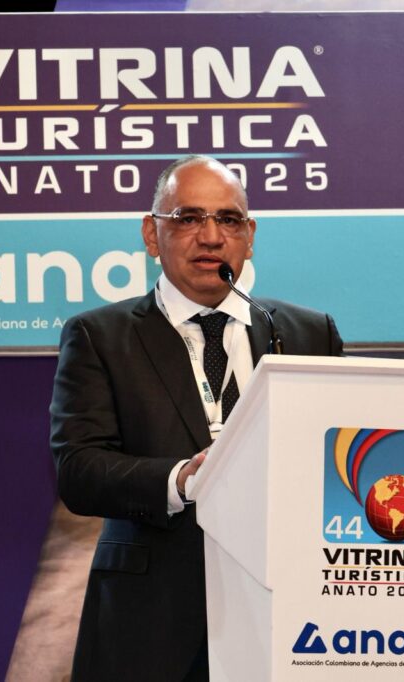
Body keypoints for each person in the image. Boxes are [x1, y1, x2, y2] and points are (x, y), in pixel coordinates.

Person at [50, 155, 343, 681]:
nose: (211, 236)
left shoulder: (307, 333)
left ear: (249, 237)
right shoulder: (101, 336)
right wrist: (181, 479)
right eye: (188, 218)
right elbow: (80, 471)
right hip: (150, 626)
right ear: (152, 234)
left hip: (290, 620)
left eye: (228, 220)